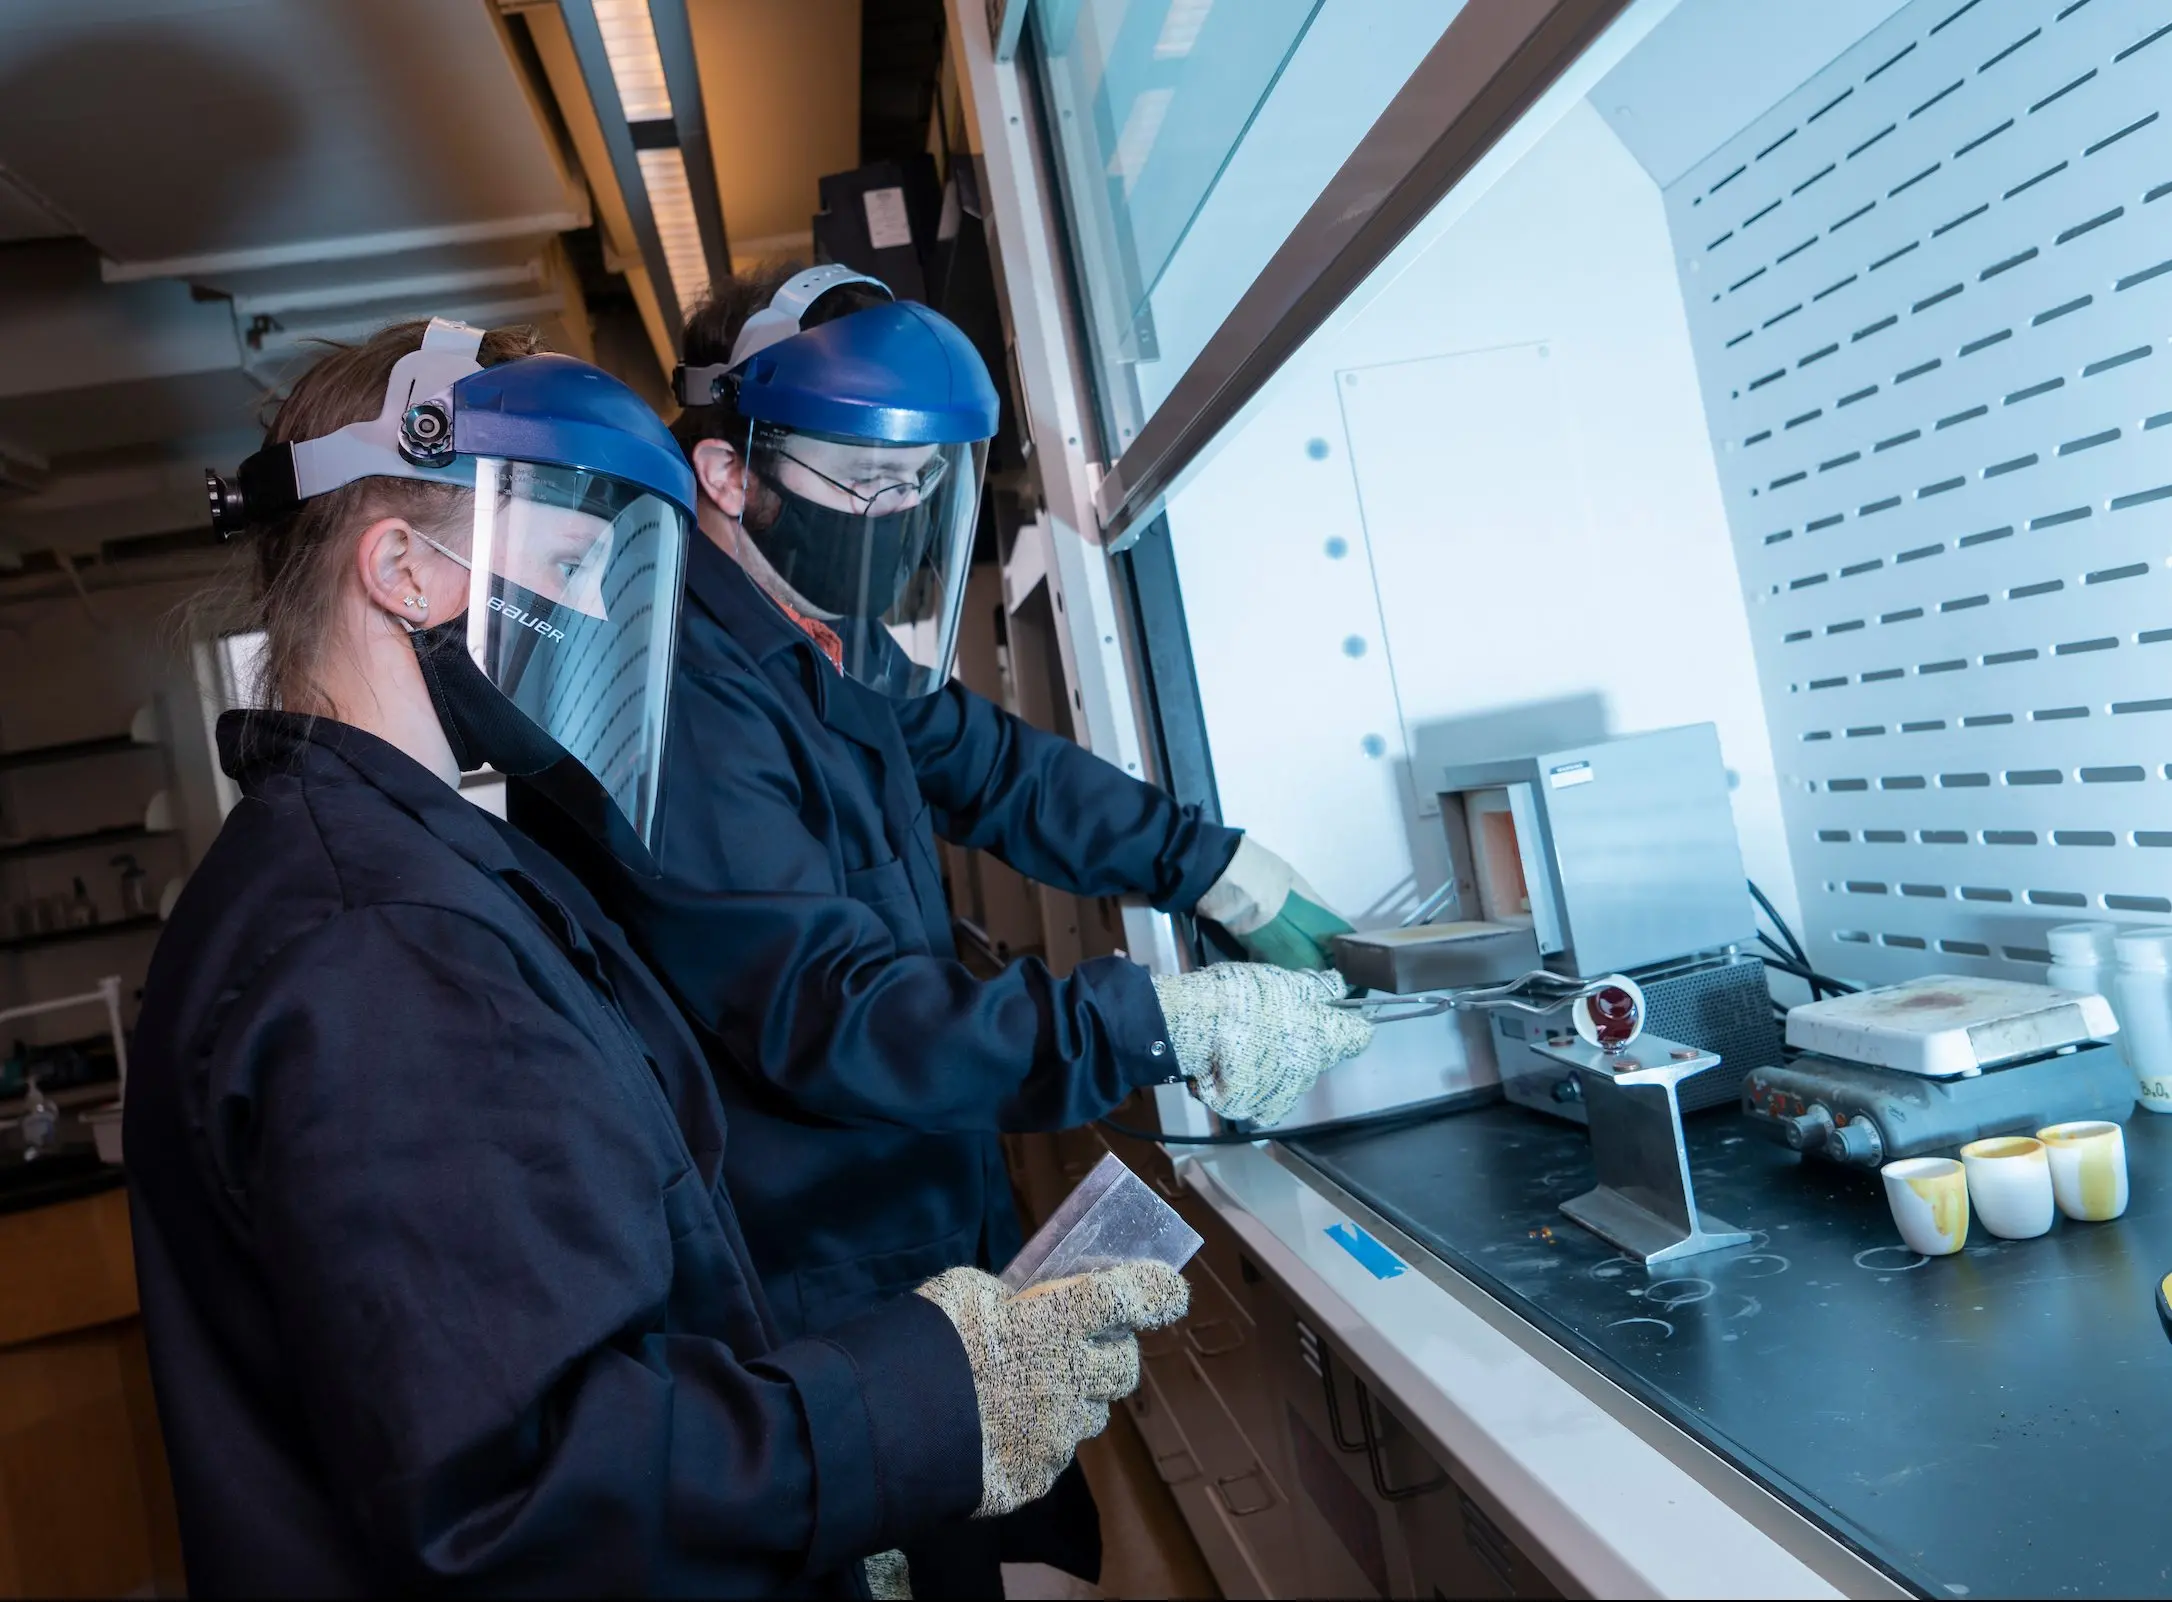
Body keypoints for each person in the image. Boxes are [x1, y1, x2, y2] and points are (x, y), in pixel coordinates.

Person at [127, 317, 1188, 1597]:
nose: (604, 623)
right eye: (575, 568)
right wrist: (919, 1407)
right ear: (403, 569)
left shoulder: (401, 867)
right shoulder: (380, 945)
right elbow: (520, 1488)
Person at [511, 265, 1372, 1594]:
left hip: (922, 1221)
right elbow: (836, 1013)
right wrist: (1155, 1019)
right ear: (731, 477)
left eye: (923, 483)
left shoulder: (821, 639)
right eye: (869, 484)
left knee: (1042, 1546)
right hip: (814, 1283)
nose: (902, 515)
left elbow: (998, 770)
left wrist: (1218, 866)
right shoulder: (680, 696)